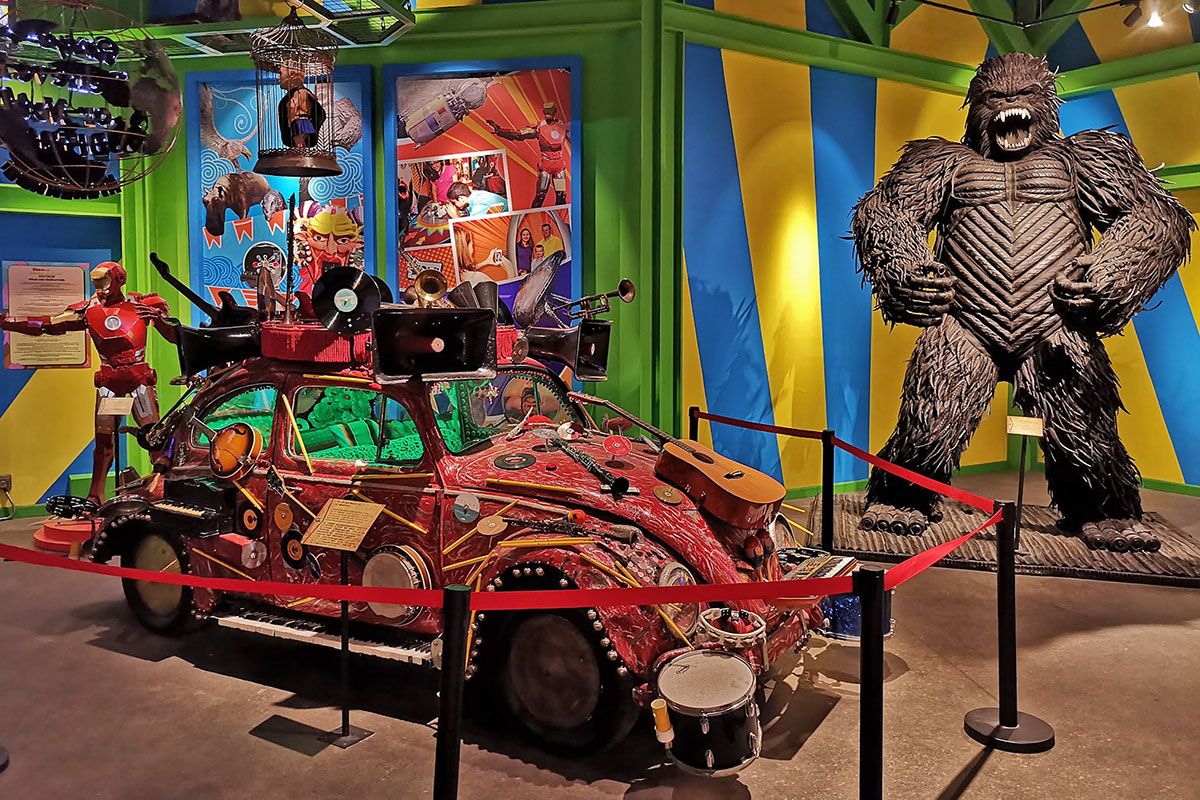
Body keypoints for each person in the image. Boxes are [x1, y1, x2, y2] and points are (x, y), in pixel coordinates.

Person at [0, 262, 176, 503]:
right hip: (108, 381)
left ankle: (164, 487)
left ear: (119, 279)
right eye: (96, 282)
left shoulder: (143, 304)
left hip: (139, 379)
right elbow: (48, 325)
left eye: (104, 280)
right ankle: (95, 495)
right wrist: (8, 322)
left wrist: (161, 319)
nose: (100, 287)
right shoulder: (88, 309)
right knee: (103, 442)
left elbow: (174, 336)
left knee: (153, 437)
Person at [488, 101, 569, 207]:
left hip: (559, 166)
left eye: (550, 111)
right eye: (546, 111)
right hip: (546, 166)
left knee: (561, 196)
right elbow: (518, 134)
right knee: (540, 195)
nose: (548, 114)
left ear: (554, 111)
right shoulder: (540, 128)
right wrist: (500, 131)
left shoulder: (562, 126)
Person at [278, 64, 324, 149]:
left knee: (299, 140)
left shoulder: (299, 92)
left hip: (299, 121)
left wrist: (291, 118)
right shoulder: (306, 92)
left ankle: (299, 151)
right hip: (303, 121)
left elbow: (293, 105)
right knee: (300, 140)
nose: (278, 78)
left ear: (292, 74)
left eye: (280, 73)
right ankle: (300, 150)